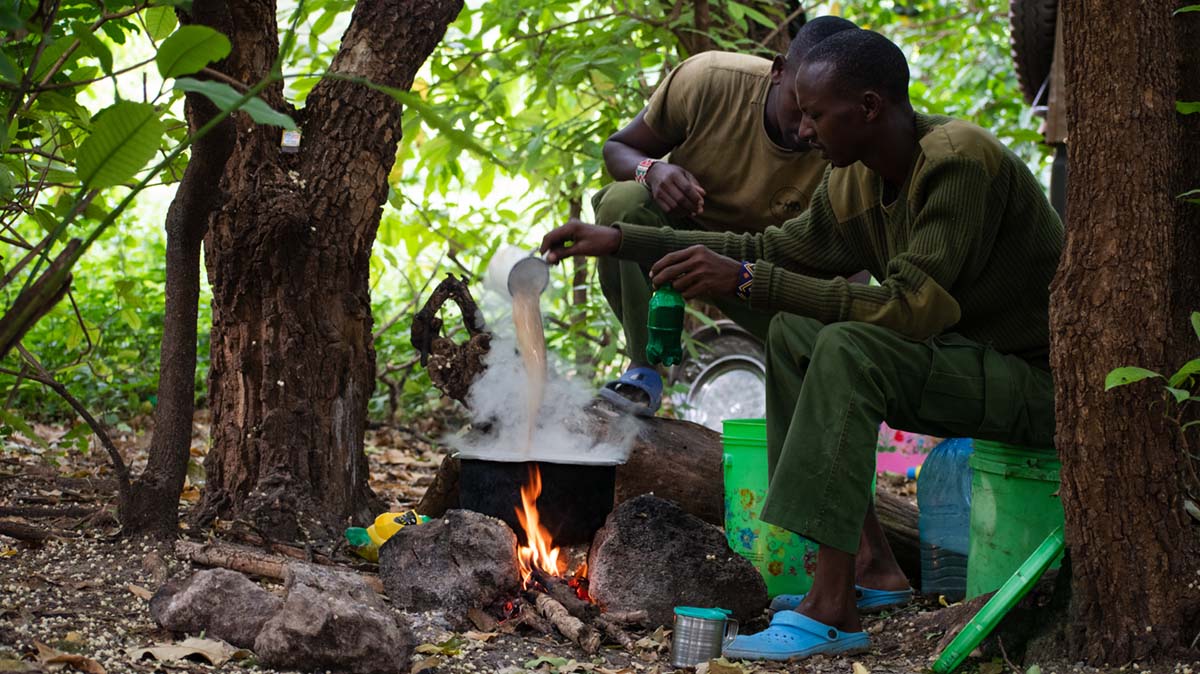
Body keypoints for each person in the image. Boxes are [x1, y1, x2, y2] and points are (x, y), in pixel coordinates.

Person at [542, 28, 1062, 661]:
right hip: (966, 368)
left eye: (816, 114)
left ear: (868, 107)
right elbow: (771, 252)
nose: (806, 131)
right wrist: (623, 240)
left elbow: (911, 306)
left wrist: (750, 279)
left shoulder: (957, 162)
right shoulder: (857, 180)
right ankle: (870, 569)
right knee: (796, 332)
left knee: (845, 348)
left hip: (1039, 385)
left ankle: (831, 607)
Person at [593, 15, 860, 417]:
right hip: (681, 236)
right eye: (799, 106)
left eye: (821, 115)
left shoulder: (850, 148)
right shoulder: (710, 80)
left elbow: (854, 259)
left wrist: (842, 338)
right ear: (778, 71)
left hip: (765, 270)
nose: (807, 129)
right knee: (623, 204)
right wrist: (653, 170)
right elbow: (618, 149)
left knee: (827, 352)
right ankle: (643, 370)